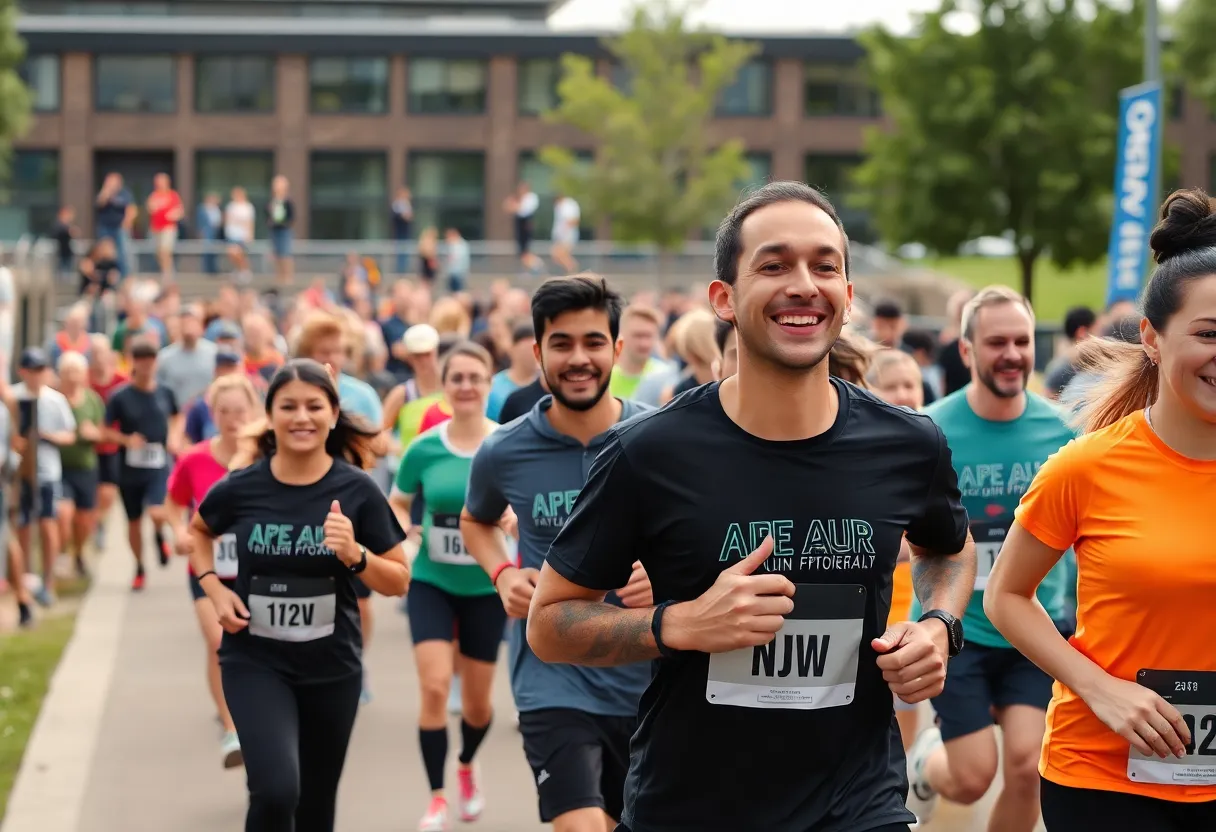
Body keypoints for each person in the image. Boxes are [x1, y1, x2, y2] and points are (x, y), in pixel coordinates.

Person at [527, 182, 975, 832]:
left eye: (825, 266)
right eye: (774, 265)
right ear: (725, 299)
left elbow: (949, 550)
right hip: (688, 809)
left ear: (848, 297)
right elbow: (550, 624)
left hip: (858, 806)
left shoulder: (909, 443)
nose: (803, 284)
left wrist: (936, 625)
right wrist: (678, 624)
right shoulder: (646, 453)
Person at [985, 188, 1216, 830]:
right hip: (1105, 780)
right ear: (1152, 337)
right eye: (1208, 334)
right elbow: (1006, 596)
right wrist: (1100, 688)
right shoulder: (1087, 464)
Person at [461, 275, 655, 832]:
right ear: (537, 352)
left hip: (646, 675)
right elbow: (474, 520)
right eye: (561, 343)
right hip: (551, 674)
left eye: (593, 342)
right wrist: (501, 573)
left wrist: (661, 576)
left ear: (616, 350)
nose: (578, 358)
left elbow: (702, 540)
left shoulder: (657, 438)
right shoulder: (504, 448)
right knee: (580, 824)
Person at [188, 359, 407, 832]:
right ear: (270, 415)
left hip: (332, 667)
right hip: (256, 661)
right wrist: (212, 589)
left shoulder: (358, 490)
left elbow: (399, 580)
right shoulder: (244, 486)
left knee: (314, 806)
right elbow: (199, 530)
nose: (301, 417)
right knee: (275, 790)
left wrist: (355, 554)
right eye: (288, 406)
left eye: (314, 406)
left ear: (333, 415)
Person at [903, 286, 1076, 831]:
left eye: (1022, 341)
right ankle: (926, 766)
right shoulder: (930, 430)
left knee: (1029, 768)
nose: (1012, 354)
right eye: (996, 341)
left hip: (1033, 629)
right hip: (958, 630)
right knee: (976, 775)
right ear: (968, 351)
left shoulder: (1063, 431)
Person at [390, 342, 507, 831]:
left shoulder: (507, 443)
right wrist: (408, 542)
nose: (465, 386)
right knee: (435, 687)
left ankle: (465, 767)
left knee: (479, 705)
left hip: (487, 587)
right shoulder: (424, 447)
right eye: (456, 377)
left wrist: (513, 521)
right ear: (444, 383)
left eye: (474, 377)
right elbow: (397, 502)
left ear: (488, 383)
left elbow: (524, 502)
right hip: (432, 581)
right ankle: (436, 796)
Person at [293, 313, 389, 703]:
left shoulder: (362, 393)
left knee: (361, 598)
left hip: (352, 507)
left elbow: (380, 446)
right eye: (322, 352)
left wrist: (343, 426)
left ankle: (357, 663)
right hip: (304, 506)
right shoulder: (294, 390)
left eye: (338, 351)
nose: (332, 359)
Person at [166, 374, 260, 770]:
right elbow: (173, 503)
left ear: (253, 412)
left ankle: (259, 716)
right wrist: (178, 532)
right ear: (212, 413)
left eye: (241, 411)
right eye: (224, 411)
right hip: (206, 569)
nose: (233, 419)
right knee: (219, 641)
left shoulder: (264, 459)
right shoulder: (195, 458)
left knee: (254, 649)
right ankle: (231, 728)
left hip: (255, 569)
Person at [865, 348, 926, 752]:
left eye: (911, 385)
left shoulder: (927, 447)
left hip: (911, 604)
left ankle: (900, 788)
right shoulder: (862, 453)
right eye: (892, 387)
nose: (903, 394)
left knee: (906, 704)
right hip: (870, 604)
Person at [104, 340, 182, 591]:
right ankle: (139, 567)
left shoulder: (165, 392)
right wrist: (126, 440)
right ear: (133, 362)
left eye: (151, 359)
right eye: (141, 359)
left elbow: (177, 416)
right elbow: (104, 430)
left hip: (158, 463)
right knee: (134, 522)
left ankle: (160, 535)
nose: (147, 365)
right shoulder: (120, 396)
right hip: (129, 467)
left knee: (157, 511)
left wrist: (174, 437)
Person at [13, 347, 77, 606]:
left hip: (48, 472)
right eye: (32, 371)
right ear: (23, 372)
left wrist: (48, 436)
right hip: (20, 473)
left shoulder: (54, 400)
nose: (37, 376)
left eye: (41, 370)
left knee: (48, 524)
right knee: (23, 526)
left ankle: (47, 580)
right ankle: (25, 577)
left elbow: (70, 434)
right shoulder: (13, 397)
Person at [57, 351, 104, 580]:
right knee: (63, 513)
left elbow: (102, 431)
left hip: (85, 466)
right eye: (67, 372)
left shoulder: (92, 399)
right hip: (59, 467)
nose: (72, 376)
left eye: (75, 371)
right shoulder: (54, 399)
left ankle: (78, 553)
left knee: (84, 519)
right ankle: (62, 552)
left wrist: (92, 433)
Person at [485, 321, 537, 422]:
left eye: (536, 350)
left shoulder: (548, 386)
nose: (532, 356)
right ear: (512, 349)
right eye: (527, 350)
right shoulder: (494, 387)